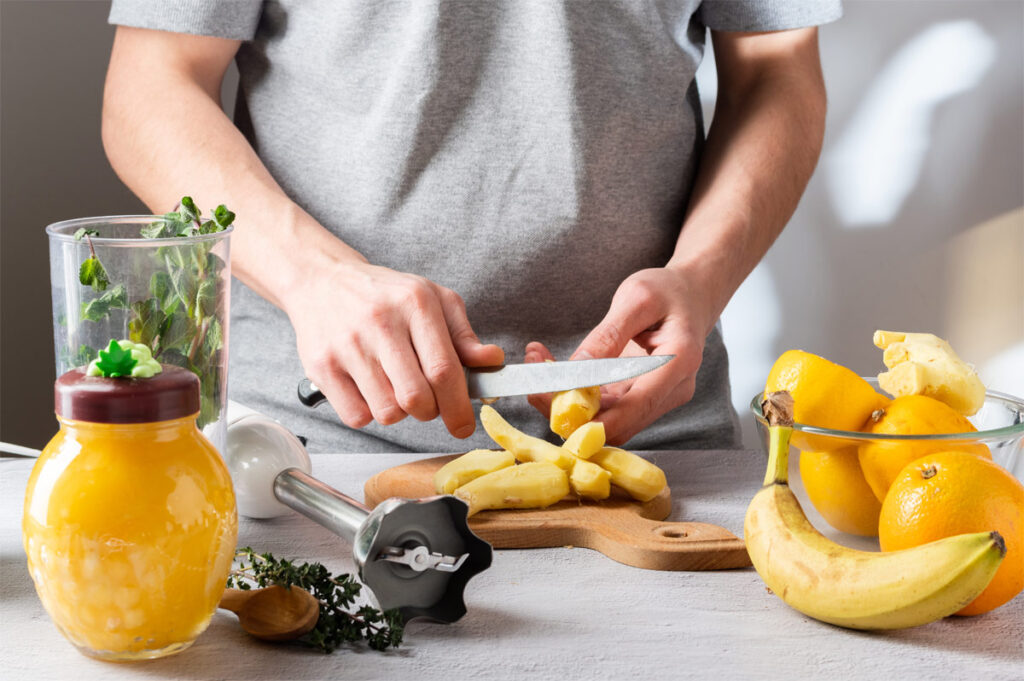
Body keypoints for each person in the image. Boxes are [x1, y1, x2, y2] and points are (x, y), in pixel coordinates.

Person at [102, 0, 840, 453]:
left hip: (653, 436)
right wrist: (315, 281)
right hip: (305, 448)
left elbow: (776, 67)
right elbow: (150, 88)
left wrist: (701, 277)